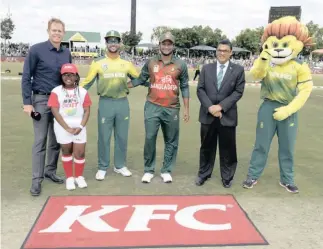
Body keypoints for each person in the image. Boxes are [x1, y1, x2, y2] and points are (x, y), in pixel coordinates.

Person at [128, 32, 190, 184]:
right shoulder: (151, 62)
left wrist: (187, 109)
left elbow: (185, 87)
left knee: (171, 140)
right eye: (164, 43)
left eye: (169, 44)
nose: (166, 46)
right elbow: (141, 79)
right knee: (150, 138)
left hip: (172, 108)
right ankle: (149, 170)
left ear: (173, 46)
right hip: (152, 106)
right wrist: (125, 85)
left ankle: (166, 170)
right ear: (159, 45)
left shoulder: (180, 64)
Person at [21, 18, 72, 196]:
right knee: (40, 141)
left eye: (60, 31)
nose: (57, 33)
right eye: (54, 30)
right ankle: (36, 180)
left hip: (60, 102)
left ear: (63, 33)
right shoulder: (36, 50)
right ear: (48, 31)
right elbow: (26, 76)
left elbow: (69, 78)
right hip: (41, 100)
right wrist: (27, 103)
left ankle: (50, 171)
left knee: (56, 140)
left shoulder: (66, 53)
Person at [80, 30, 139, 180]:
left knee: (122, 136)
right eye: (110, 41)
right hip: (106, 102)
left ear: (120, 43)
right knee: (104, 136)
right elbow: (87, 83)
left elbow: (139, 79)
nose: (113, 44)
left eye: (116, 41)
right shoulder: (98, 62)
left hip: (122, 103)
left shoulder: (126, 63)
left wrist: (127, 86)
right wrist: (76, 96)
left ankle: (120, 166)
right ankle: (102, 166)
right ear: (106, 43)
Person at [195, 39, 245, 188]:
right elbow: (200, 89)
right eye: (219, 50)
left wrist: (221, 107)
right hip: (207, 115)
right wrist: (210, 107)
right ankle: (203, 174)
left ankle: (227, 177)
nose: (221, 53)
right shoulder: (206, 68)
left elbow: (238, 91)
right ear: (216, 51)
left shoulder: (238, 70)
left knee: (228, 148)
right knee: (206, 147)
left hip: (227, 116)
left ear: (230, 53)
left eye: (225, 51)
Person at [47, 64, 92, 190]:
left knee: (80, 153)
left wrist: (81, 126)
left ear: (76, 77)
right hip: (62, 126)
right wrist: (66, 128)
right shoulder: (56, 91)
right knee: (66, 151)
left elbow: (87, 111)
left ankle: (79, 176)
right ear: (61, 76)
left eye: (71, 74)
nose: (68, 77)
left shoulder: (83, 91)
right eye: (65, 74)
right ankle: (69, 178)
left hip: (79, 127)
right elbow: (55, 111)